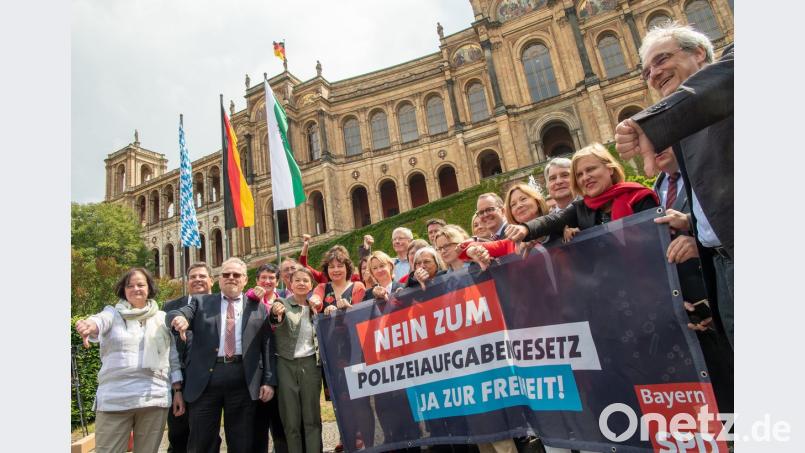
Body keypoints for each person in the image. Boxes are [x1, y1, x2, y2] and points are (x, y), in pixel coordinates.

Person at [614, 22, 734, 346]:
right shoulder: (683, 132)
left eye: (662, 59)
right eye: (647, 71)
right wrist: (694, 229)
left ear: (698, 52)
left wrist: (654, 124)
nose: (654, 73)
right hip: (723, 268)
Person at [652, 148, 734, 414]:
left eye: (660, 143)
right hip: (691, 298)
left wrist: (697, 239)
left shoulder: (705, 169)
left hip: (717, 278)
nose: (655, 150)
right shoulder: (658, 186)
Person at [167, 257, 276, 453]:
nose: (231, 278)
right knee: (201, 442)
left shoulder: (257, 307)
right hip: (206, 381)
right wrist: (179, 318)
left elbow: (266, 345)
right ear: (219, 279)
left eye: (236, 275)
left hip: (243, 379)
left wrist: (268, 380)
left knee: (241, 441)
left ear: (245, 279)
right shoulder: (202, 302)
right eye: (226, 274)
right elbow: (177, 312)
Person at [75, 267, 183, 453]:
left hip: (153, 399)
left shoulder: (161, 318)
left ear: (149, 288)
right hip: (115, 400)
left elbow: (172, 358)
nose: (136, 289)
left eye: (141, 284)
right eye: (130, 285)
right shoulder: (112, 314)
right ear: (123, 290)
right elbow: (99, 321)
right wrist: (89, 325)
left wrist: (177, 390)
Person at [504, 143, 658, 246]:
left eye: (590, 169)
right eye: (579, 174)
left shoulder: (639, 198)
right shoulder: (582, 208)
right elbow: (554, 220)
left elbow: (656, 241)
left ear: (610, 169)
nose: (585, 177)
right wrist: (526, 229)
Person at [163, 263, 216, 453]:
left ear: (212, 280)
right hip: (180, 378)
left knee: (207, 436)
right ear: (187, 282)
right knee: (178, 435)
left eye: (202, 276)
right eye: (193, 277)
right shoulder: (171, 306)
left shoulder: (220, 305)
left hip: (211, 380)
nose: (197, 280)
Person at [270, 268, 324, 453]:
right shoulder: (281, 303)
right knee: (291, 420)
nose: (301, 283)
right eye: (297, 280)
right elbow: (276, 317)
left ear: (311, 285)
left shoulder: (316, 307)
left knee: (312, 419)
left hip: (310, 364)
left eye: (305, 281)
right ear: (290, 284)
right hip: (286, 364)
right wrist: (276, 313)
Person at [246, 264, 290, 453]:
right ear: (257, 281)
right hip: (260, 365)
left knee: (281, 419)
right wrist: (253, 296)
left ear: (277, 281)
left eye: (272, 278)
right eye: (263, 277)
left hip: (282, 362)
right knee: (259, 421)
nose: (267, 281)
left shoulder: (284, 299)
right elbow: (248, 297)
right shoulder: (251, 299)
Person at [460, 183, 551, 265]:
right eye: (513, 205)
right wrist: (471, 250)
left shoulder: (557, 224)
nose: (519, 205)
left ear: (537, 201)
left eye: (523, 199)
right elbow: (473, 248)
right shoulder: (513, 241)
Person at [310, 245, 367, 315]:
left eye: (340, 266)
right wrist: (315, 301)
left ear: (347, 268)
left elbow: (361, 313)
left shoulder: (358, 286)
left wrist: (348, 309)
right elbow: (317, 298)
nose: (336, 270)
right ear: (327, 270)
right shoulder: (321, 287)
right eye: (331, 267)